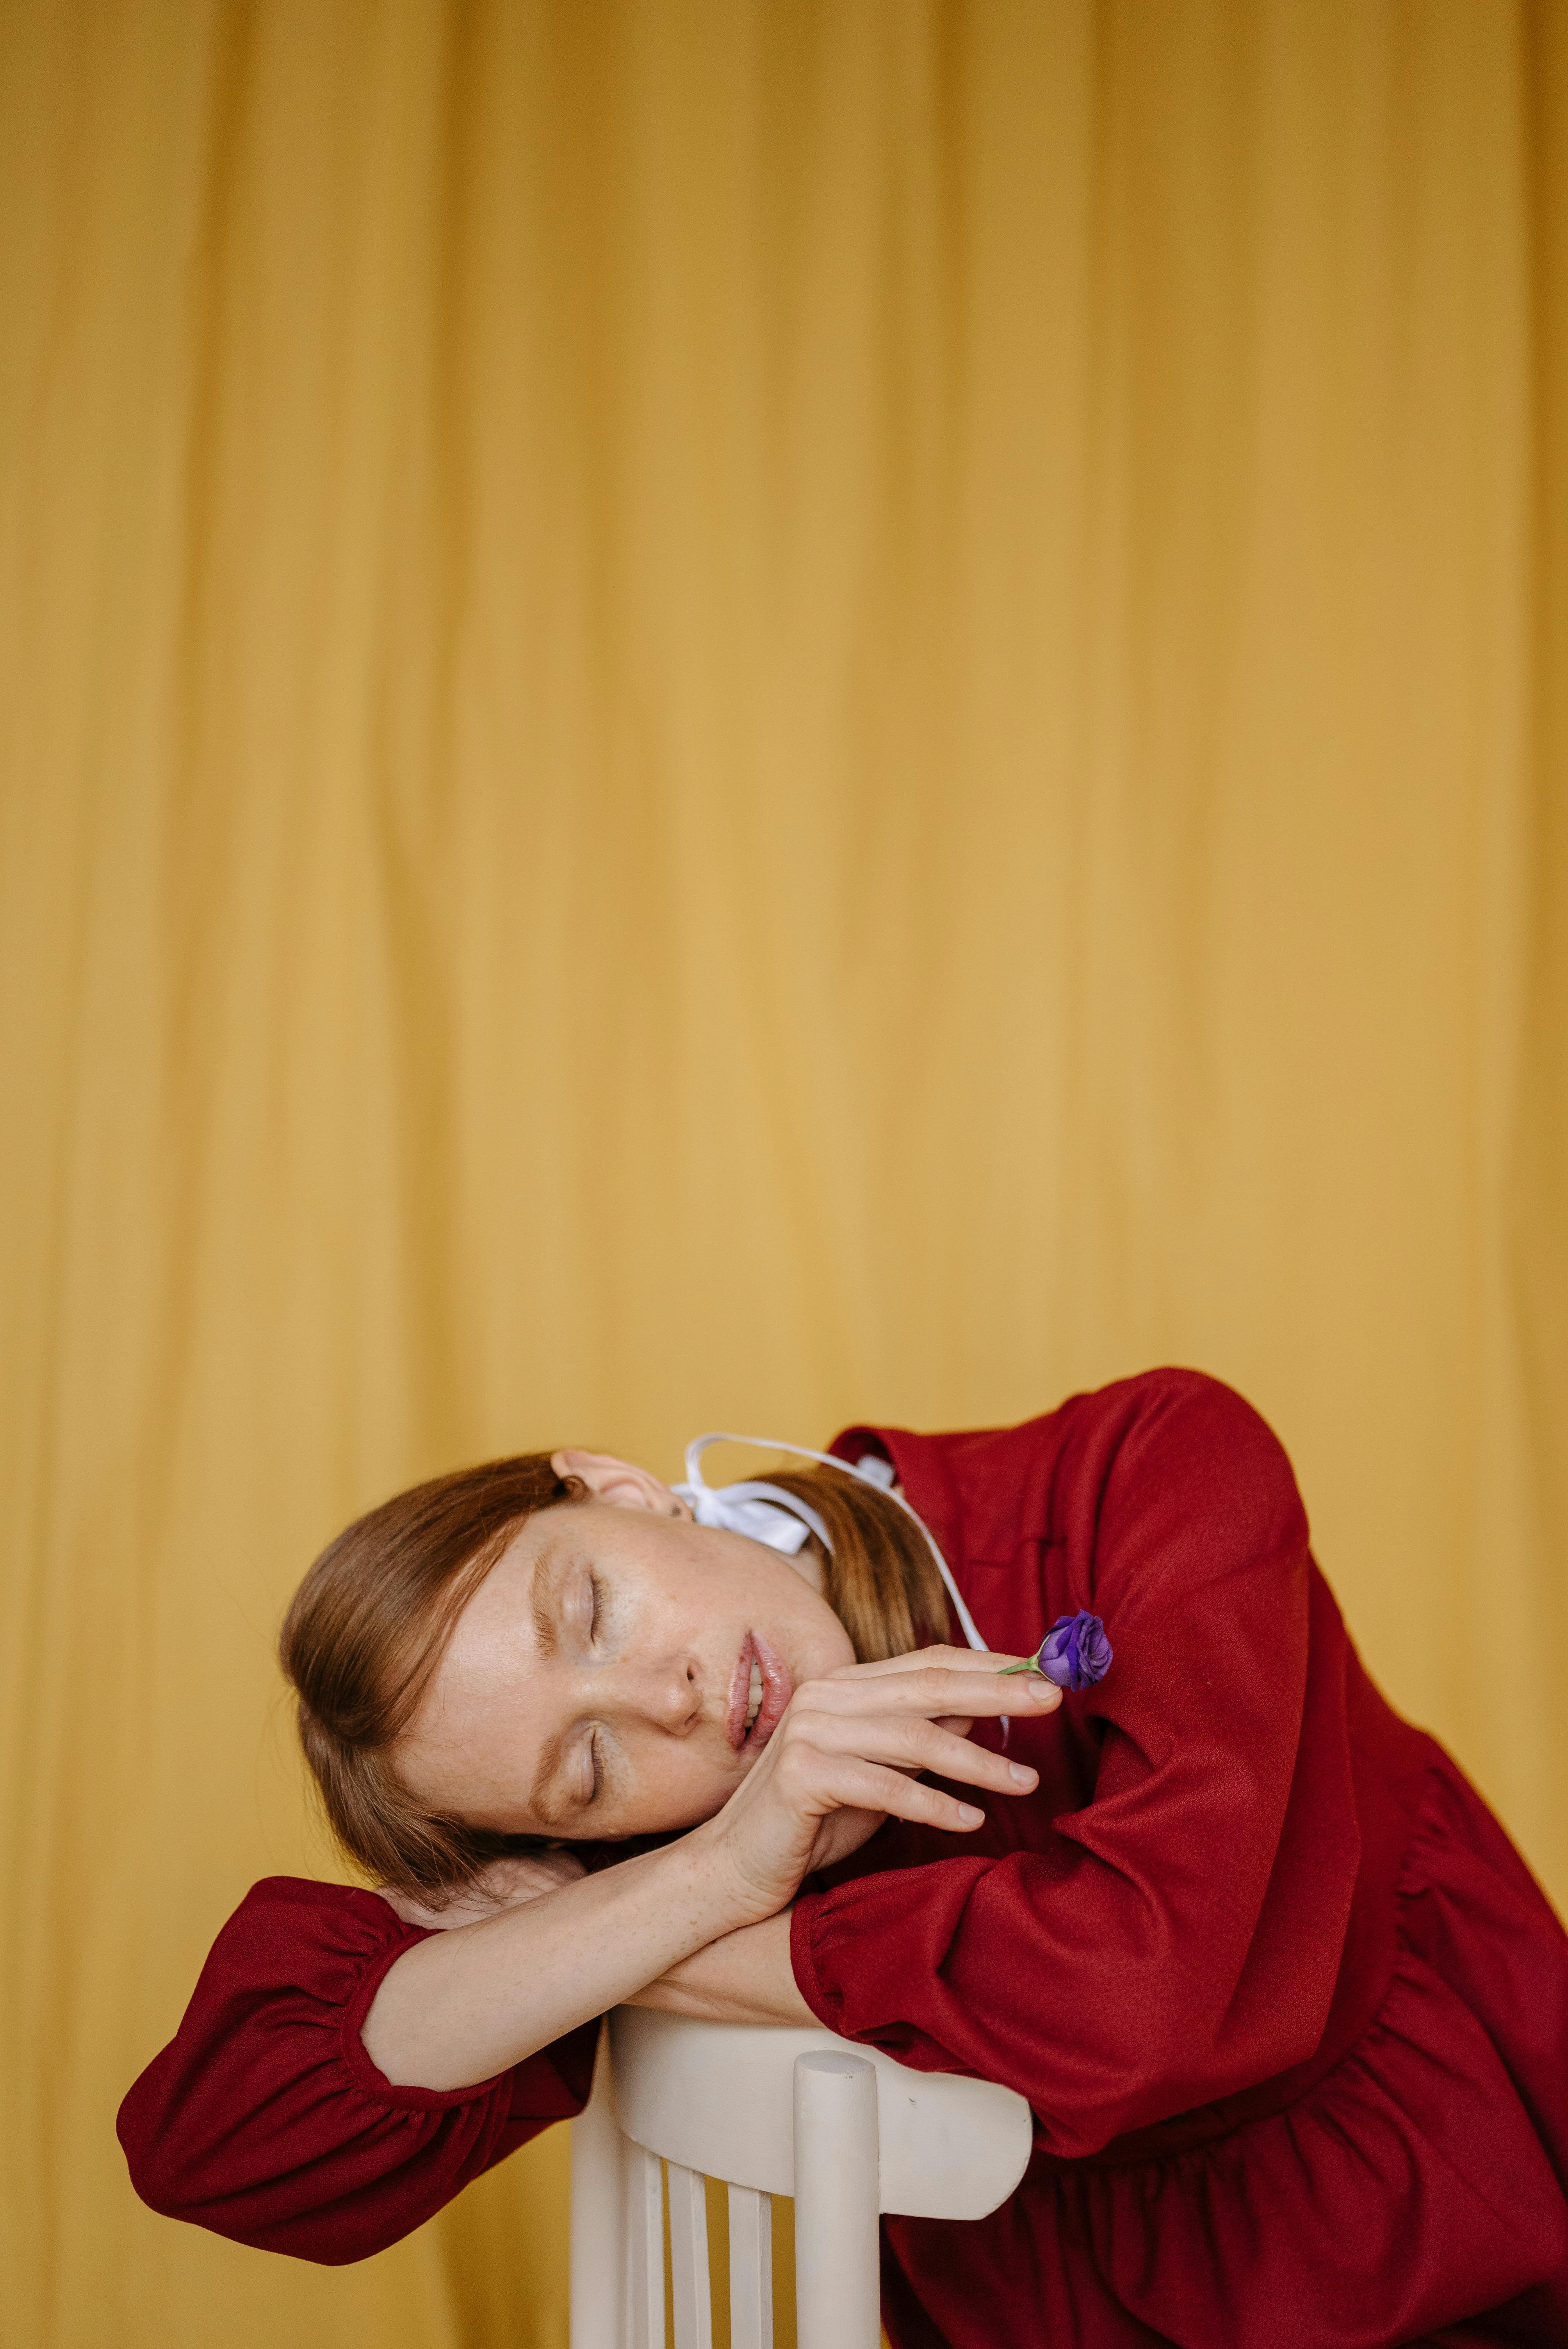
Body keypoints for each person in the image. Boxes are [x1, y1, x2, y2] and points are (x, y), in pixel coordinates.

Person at [119, 1367, 1568, 2347]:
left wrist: (673, 1950)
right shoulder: (681, 1852)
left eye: (595, 1612)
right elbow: (221, 2150)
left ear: (614, 1489)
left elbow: (1151, 1999)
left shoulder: (1149, 1468)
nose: (667, 1699)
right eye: (588, 1769)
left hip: (1446, 2244)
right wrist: (709, 1880)